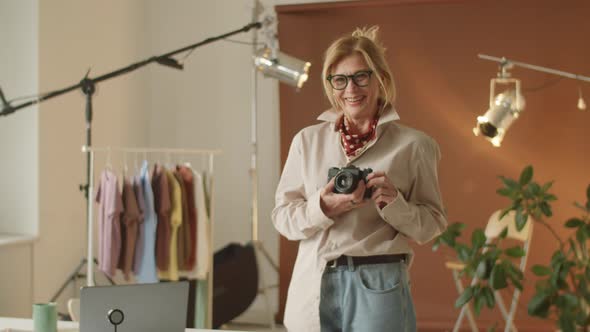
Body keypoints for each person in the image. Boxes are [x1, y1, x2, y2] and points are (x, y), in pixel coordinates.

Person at [271, 26, 448, 332]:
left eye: (360, 77)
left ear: (381, 78)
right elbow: (282, 217)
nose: (350, 89)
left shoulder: (415, 145)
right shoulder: (307, 141)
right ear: (331, 84)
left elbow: (431, 225)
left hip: (378, 281)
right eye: (340, 79)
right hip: (314, 278)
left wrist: (395, 204)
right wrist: (322, 207)